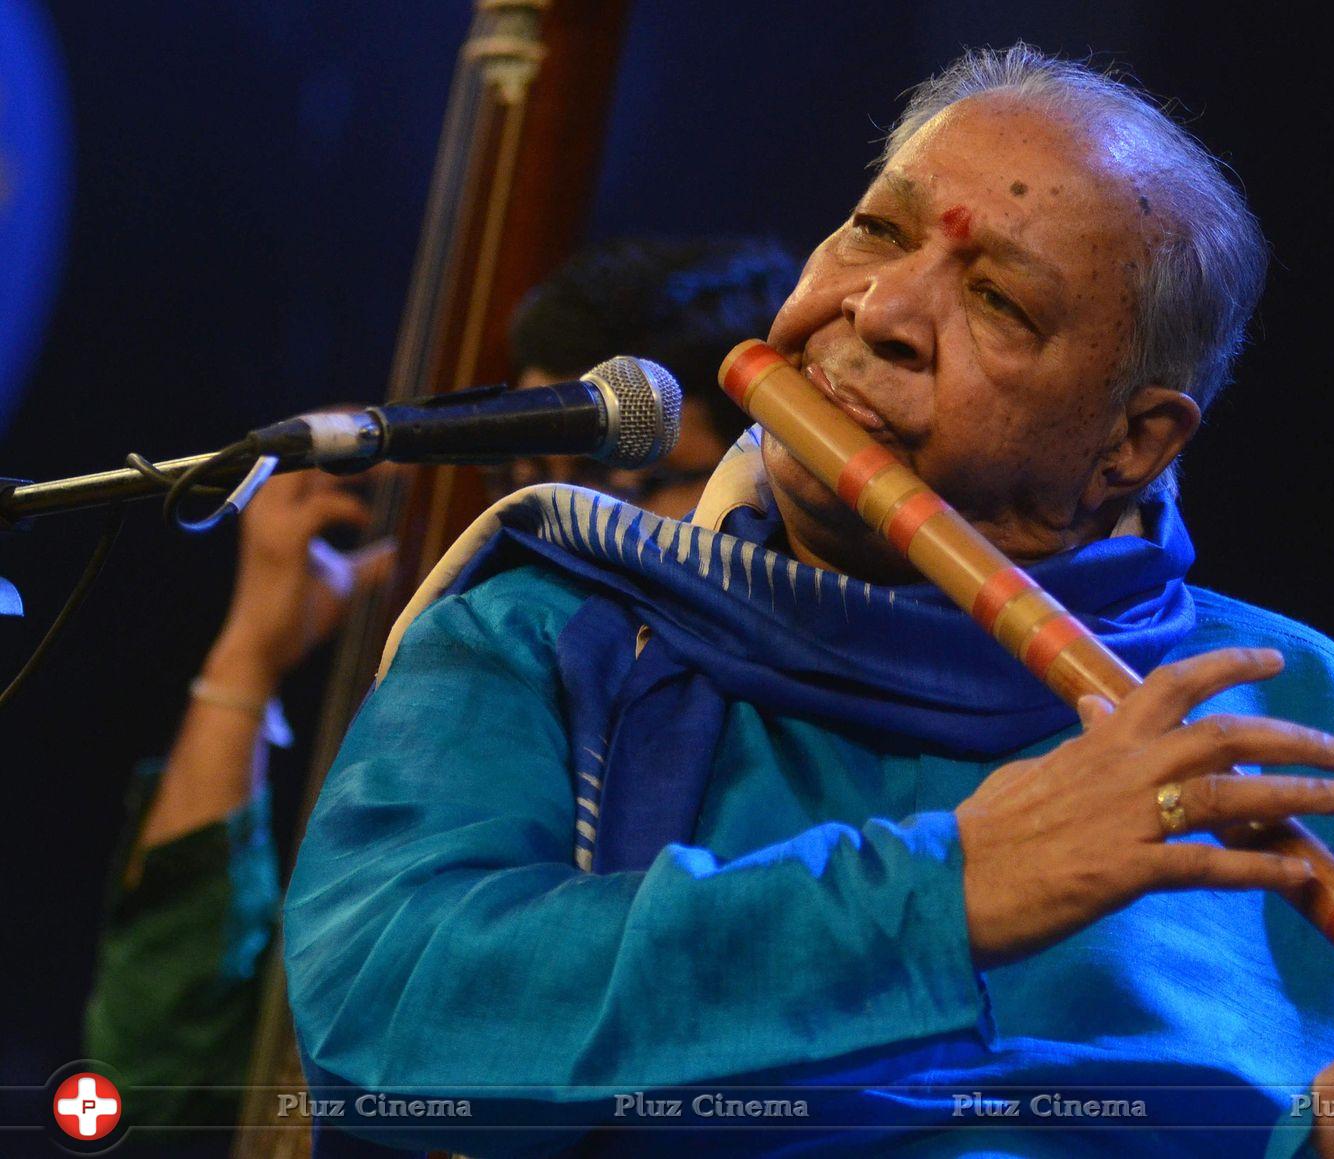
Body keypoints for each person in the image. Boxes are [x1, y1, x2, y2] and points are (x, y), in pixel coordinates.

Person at [282, 46, 1334, 1159]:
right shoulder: (558, 627)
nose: (883, 311)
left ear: (1133, 443)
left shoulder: (1297, 709)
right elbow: (383, 1022)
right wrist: (939, 896)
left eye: (999, 301)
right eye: (877, 232)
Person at [81, 235, 799, 1135]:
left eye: (623, 479)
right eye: (532, 476)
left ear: (749, 477)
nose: (560, 521)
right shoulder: (492, 667)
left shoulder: (781, 747)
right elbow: (150, 1080)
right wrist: (247, 659)